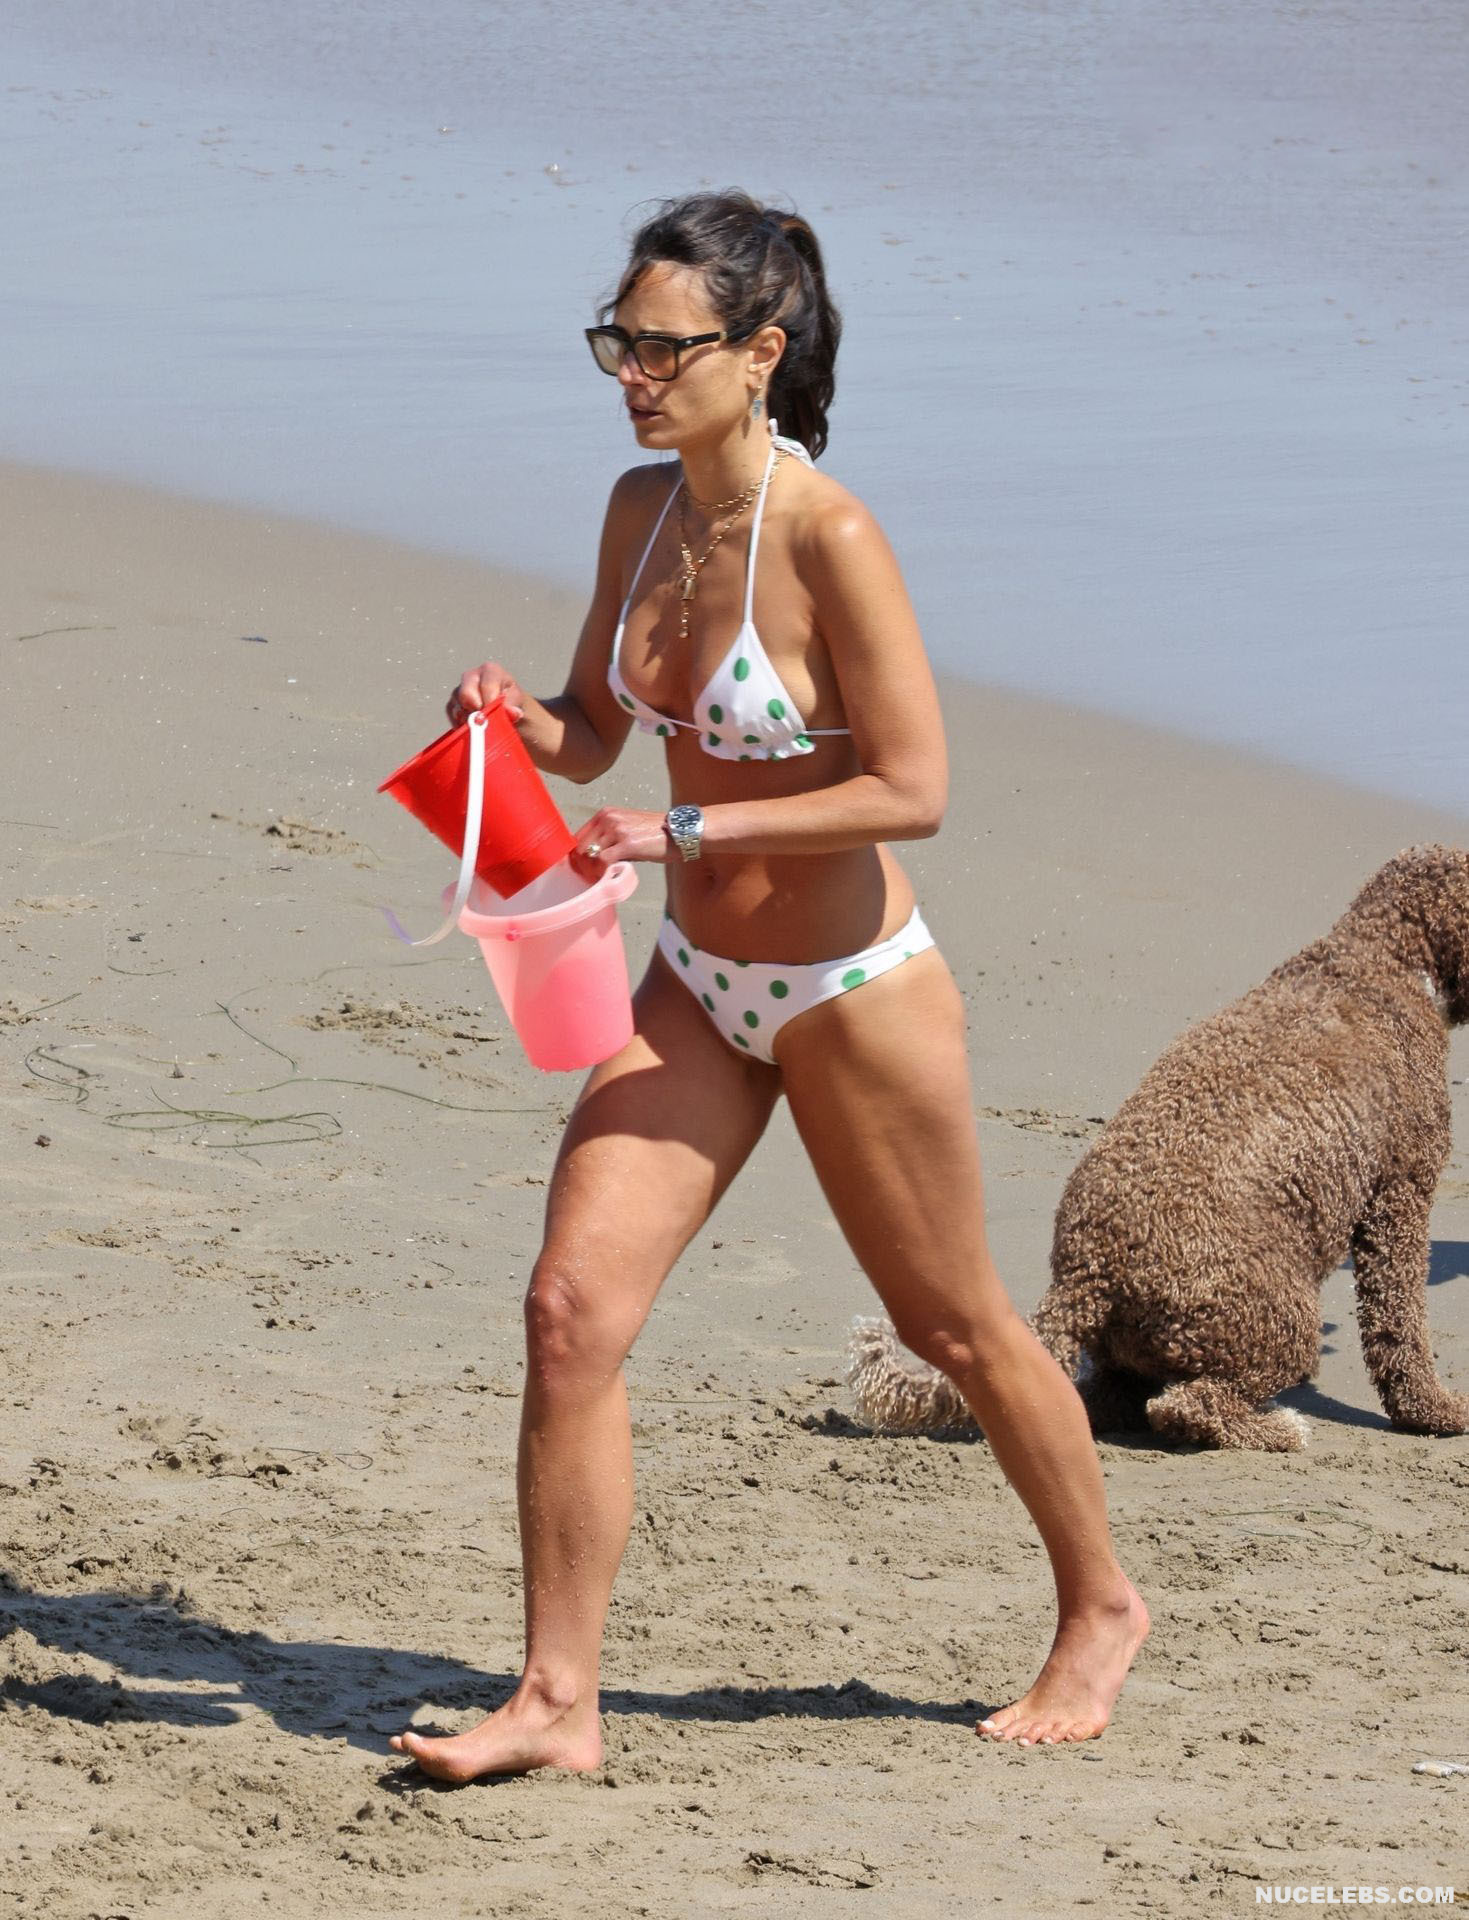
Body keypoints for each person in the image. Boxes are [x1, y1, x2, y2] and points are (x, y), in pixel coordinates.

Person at [391, 190, 1147, 1781]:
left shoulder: (828, 538)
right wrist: (512, 718)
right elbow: (594, 729)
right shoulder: (639, 508)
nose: (631, 375)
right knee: (568, 1312)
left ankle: (1099, 1605)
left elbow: (913, 789)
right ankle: (557, 1702)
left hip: (849, 991)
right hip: (697, 984)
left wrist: (683, 828)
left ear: (759, 352)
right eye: (618, 342)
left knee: (953, 1327)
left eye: (663, 348)